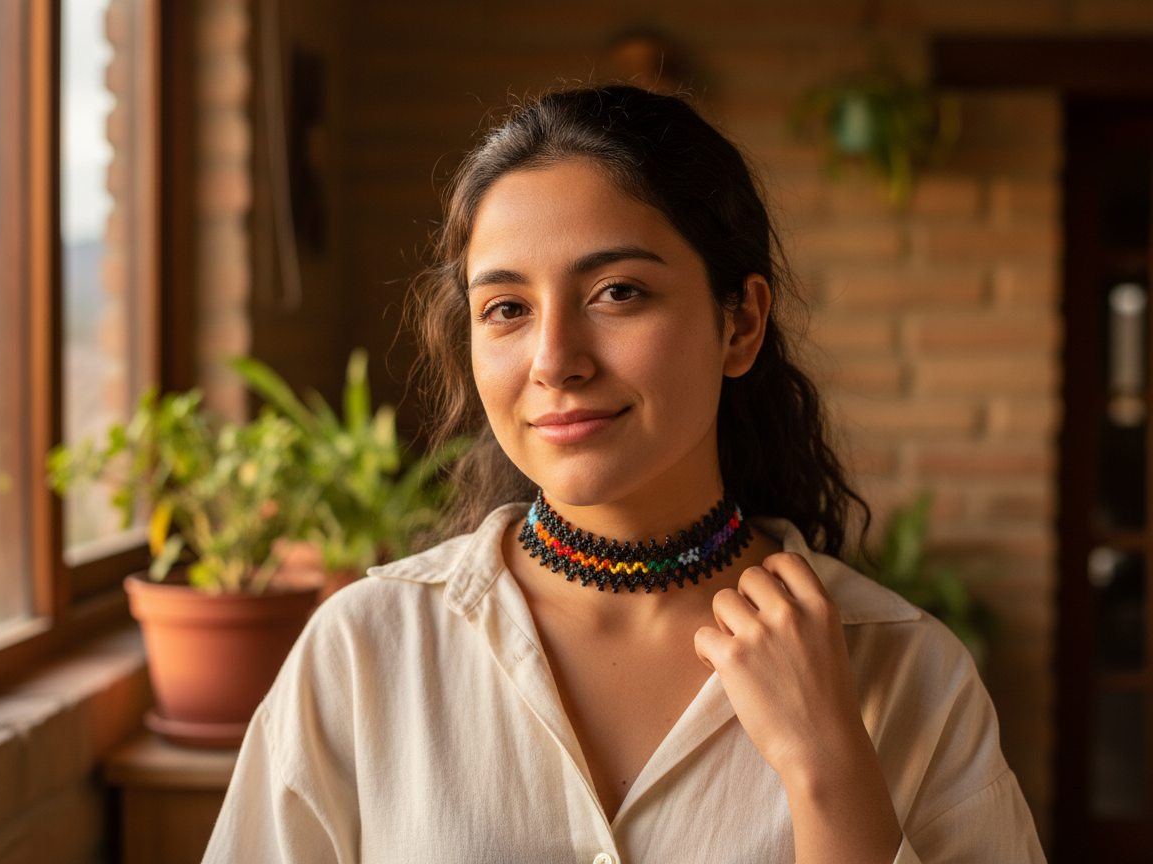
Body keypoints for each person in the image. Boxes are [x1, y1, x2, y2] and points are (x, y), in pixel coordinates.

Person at [203, 85, 1046, 863]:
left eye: (617, 293)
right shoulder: (366, 651)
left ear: (741, 323)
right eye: (506, 309)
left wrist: (828, 772)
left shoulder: (905, 674)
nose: (554, 360)